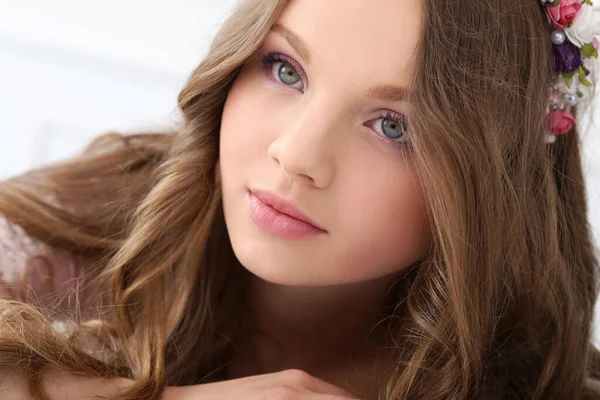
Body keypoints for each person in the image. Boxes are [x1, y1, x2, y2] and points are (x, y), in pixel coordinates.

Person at [1, 0, 600, 398]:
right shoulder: (96, 218)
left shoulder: (539, 376)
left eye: (394, 127)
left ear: (498, 184)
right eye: (286, 70)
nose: (297, 154)